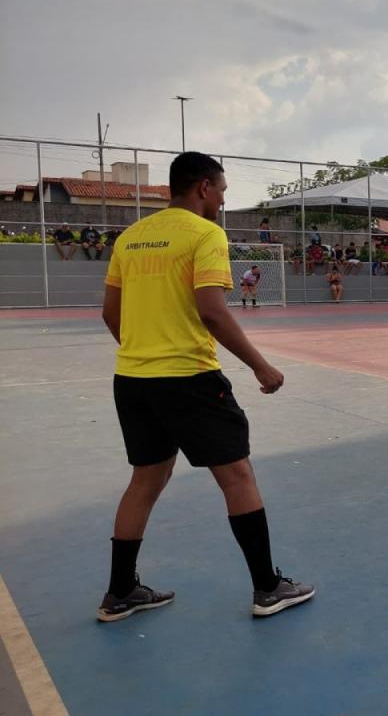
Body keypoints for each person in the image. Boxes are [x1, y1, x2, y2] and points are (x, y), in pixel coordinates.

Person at [97, 151, 311, 622]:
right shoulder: (205, 234)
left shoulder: (130, 238)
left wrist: (144, 352)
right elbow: (211, 310)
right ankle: (268, 588)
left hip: (132, 380)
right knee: (237, 476)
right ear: (203, 188)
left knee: (145, 480)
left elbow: (111, 313)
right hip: (189, 379)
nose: (223, 200)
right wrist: (260, 366)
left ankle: (120, 591)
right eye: (223, 190)